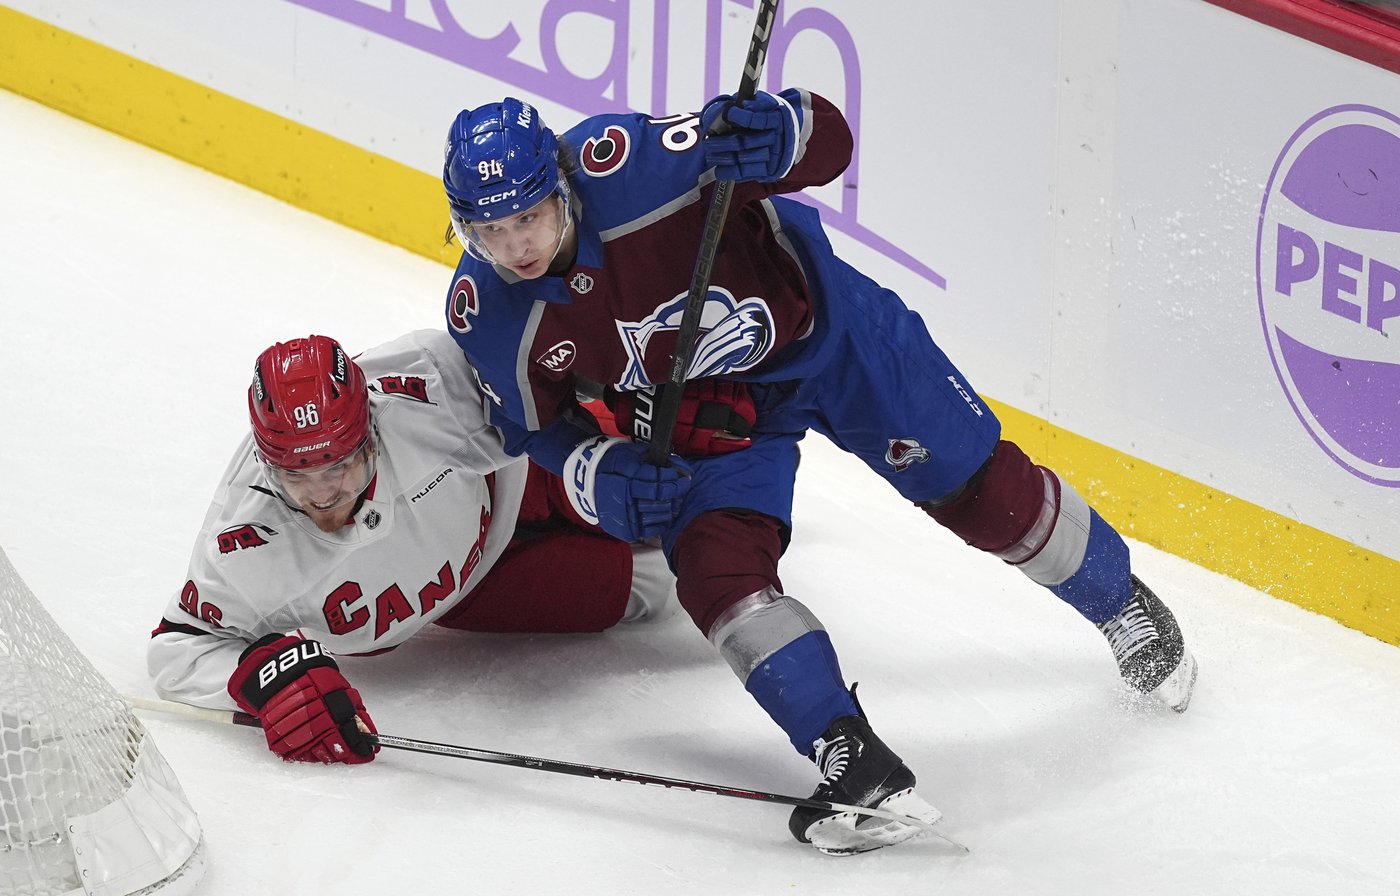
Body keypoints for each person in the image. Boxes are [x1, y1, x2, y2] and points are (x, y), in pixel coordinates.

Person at [438, 92, 1199, 855]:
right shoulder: (488, 310)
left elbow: (827, 141)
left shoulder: (641, 168)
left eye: (527, 218)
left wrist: (784, 134)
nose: (514, 247)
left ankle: (1120, 602)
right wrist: (590, 466)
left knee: (980, 494)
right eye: (489, 230)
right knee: (716, 574)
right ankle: (850, 756)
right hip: (715, 413)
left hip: (833, 337)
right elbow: (527, 423)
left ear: (562, 185)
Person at [147, 328, 675, 765]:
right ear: (266, 465)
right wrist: (268, 682)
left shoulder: (428, 388)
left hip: (519, 474)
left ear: (371, 431)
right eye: (296, 476)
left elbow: (550, 362)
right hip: (470, 592)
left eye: (339, 464)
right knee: (654, 590)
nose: (324, 493)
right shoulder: (247, 541)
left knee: (661, 494)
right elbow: (178, 650)